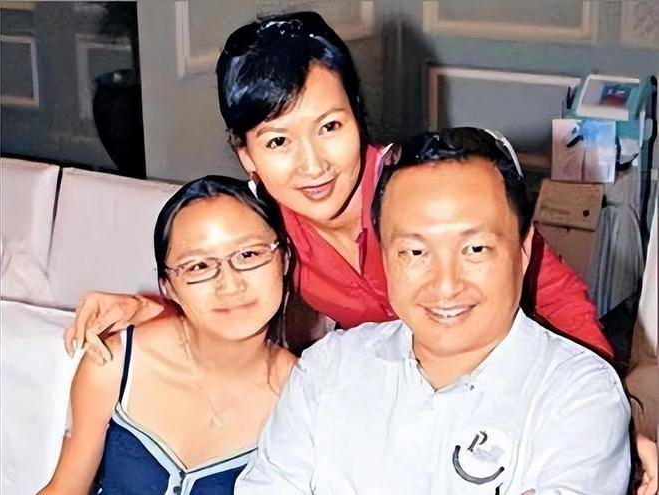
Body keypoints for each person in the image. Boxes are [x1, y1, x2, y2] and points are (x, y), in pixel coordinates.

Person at [61, 12, 656, 488]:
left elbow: (556, 297)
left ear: (357, 117)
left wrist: (612, 420)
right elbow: (229, 293)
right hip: (394, 397)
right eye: (278, 141)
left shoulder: (420, 195)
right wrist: (155, 308)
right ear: (246, 156)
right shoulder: (269, 237)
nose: (313, 165)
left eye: (330, 127)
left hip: (503, 382)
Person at [235, 128, 632, 494]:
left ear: (523, 251)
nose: (446, 285)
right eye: (415, 252)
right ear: (386, 258)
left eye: (475, 249)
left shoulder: (579, 395)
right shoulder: (327, 372)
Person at [39, 176, 296, 495]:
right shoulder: (116, 364)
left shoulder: (303, 395)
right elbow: (65, 489)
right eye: (198, 266)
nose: (230, 285)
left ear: (284, 259)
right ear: (168, 286)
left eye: (249, 255)